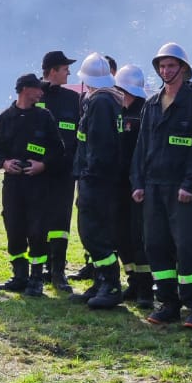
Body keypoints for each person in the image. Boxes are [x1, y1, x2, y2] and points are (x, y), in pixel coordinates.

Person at [130, 42, 192, 329]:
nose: (166, 71)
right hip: (152, 187)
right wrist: (137, 182)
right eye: (162, 66)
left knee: (187, 247)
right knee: (155, 245)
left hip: (181, 189)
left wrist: (190, 184)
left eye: (171, 65)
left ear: (183, 68)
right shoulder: (152, 103)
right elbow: (141, 147)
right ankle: (168, 303)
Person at [0, 73, 63, 296]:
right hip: (13, 185)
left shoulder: (44, 117)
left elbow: (58, 149)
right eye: (38, 88)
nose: (42, 92)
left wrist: (43, 165)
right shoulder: (4, 119)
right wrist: (4, 163)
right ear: (24, 89)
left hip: (38, 185)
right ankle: (19, 275)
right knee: (14, 228)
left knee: (37, 230)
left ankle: (36, 278)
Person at [70, 52, 127, 308]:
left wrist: (89, 175)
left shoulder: (101, 102)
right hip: (98, 179)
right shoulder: (108, 99)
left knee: (93, 233)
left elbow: (99, 145)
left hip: (96, 180)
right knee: (95, 232)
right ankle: (100, 281)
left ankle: (111, 285)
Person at [38, 51, 81, 291]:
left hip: (63, 173)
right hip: (37, 172)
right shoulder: (34, 93)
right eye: (65, 69)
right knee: (37, 220)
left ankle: (58, 271)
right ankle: (38, 270)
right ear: (52, 71)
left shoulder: (73, 99)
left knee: (60, 222)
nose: (69, 72)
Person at [112, 64, 153, 306]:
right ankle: (133, 281)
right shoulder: (118, 111)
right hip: (118, 184)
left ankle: (146, 289)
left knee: (139, 237)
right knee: (121, 235)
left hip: (137, 184)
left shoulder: (145, 111)